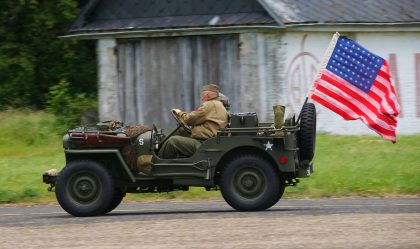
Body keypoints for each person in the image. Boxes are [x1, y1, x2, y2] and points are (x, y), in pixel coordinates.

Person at [158, 84, 229, 158]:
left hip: (204, 143)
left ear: (208, 95)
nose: (202, 98)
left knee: (172, 141)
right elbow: (196, 119)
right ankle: (161, 147)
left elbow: (189, 119)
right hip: (210, 141)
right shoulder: (219, 105)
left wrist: (179, 113)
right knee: (181, 130)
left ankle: (156, 163)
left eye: (203, 96)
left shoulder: (209, 105)